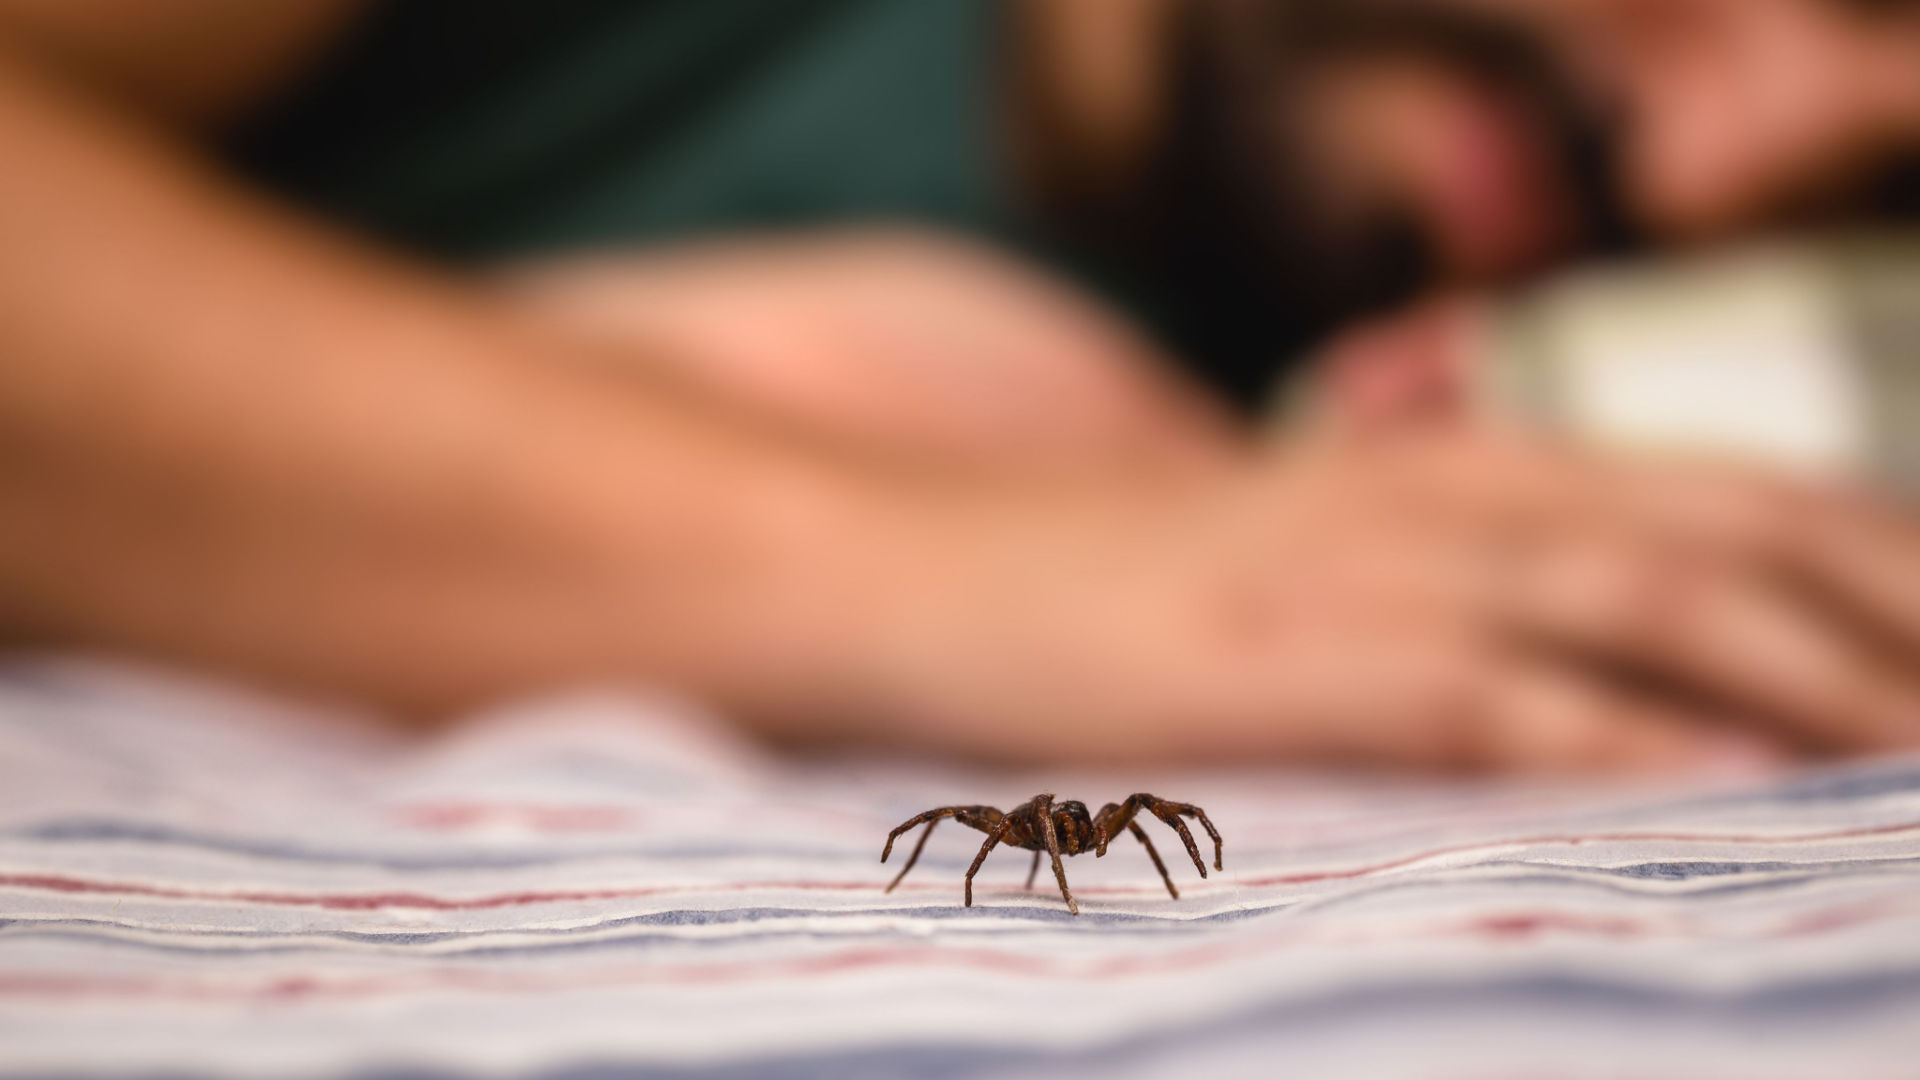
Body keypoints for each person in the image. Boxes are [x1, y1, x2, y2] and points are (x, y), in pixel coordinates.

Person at [2, 0, 1919, 771]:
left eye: (1885, 188)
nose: (1702, 176)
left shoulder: (1321, 396)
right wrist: (934, 571)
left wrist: (556, 367)